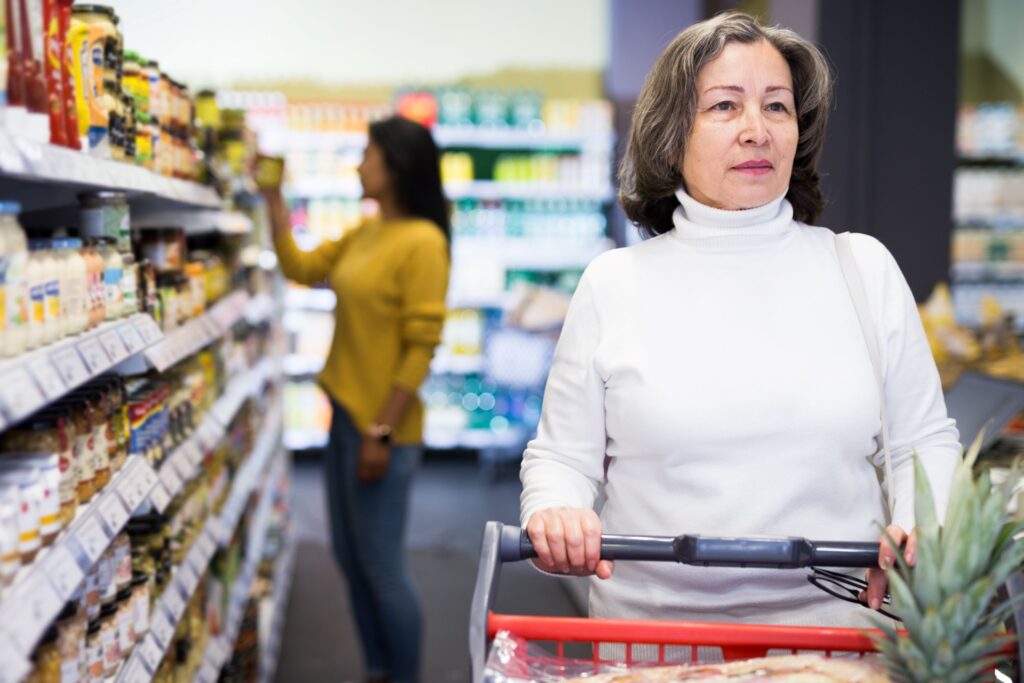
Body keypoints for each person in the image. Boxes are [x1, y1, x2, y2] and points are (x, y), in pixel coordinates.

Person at [519, 12, 960, 628]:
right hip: (655, 640)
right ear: (672, 136)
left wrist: (921, 526)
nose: (757, 130)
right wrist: (555, 512)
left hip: (840, 634)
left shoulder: (862, 268)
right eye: (725, 107)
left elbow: (922, 443)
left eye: (777, 107)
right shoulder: (614, 284)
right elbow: (563, 459)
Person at [262, 116, 450, 683]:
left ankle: (403, 674)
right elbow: (300, 268)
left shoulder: (423, 242)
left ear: (395, 168)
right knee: (349, 558)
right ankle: (377, 669)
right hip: (345, 419)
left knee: (382, 566)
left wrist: (382, 432)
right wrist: (273, 196)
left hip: (382, 431)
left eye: (367, 155)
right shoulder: (367, 232)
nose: (358, 165)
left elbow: (421, 349)